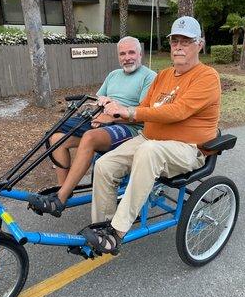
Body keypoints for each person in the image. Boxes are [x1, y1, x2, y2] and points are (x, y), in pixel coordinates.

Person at [79, 16, 222, 255]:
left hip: (187, 147)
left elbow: (179, 111)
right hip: (149, 139)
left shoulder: (207, 77)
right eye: (175, 41)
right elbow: (144, 110)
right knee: (104, 164)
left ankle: (117, 232)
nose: (178, 46)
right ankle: (102, 226)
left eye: (186, 41)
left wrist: (129, 110)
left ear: (200, 44)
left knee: (149, 151)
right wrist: (112, 114)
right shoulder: (164, 75)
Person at [29, 36, 156, 217]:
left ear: (140, 54)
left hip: (130, 128)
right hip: (102, 121)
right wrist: (96, 113)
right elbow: (98, 101)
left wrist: (111, 118)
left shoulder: (149, 77)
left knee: (89, 138)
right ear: (118, 57)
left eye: (131, 52)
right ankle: (64, 189)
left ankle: (60, 200)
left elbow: (142, 113)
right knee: (56, 137)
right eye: (122, 53)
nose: (127, 57)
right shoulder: (113, 75)